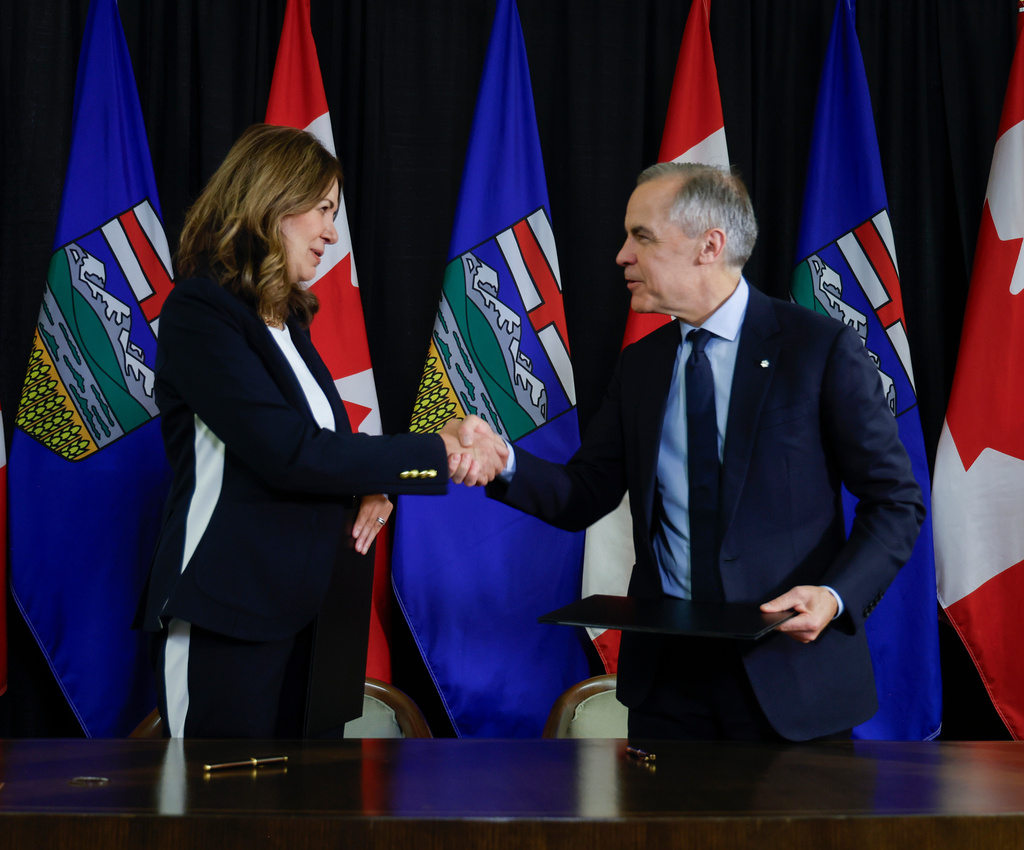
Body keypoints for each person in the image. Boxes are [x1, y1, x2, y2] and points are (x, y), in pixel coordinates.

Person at [482, 162, 925, 741]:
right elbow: (582, 494)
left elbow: (896, 502)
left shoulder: (818, 350)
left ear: (709, 246)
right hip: (668, 688)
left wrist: (835, 596)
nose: (621, 255)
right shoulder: (642, 367)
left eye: (641, 236)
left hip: (790, 682)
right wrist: (502, 462)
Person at [135, 124, 506, 739]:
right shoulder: (200, 313)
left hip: (315, 615)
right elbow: (286, 451)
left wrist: (371, 484)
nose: (333, 233)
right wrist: (434, 453)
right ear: (271, 199)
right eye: (324, 210)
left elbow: (319, 445)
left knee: (299, 815)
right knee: (215, 815)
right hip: (228, 612)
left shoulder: (289, 325)